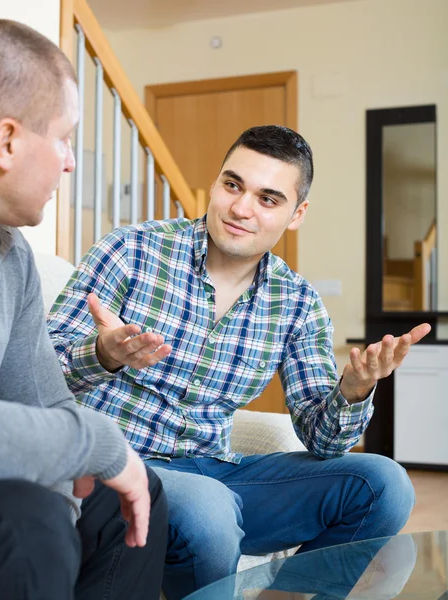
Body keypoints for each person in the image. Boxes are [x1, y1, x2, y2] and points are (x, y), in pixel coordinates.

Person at [47, 125, 430, 600]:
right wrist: (102, 354)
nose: (242, 209)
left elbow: (323, 439)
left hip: (215, 470)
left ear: (297, 214)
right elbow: (38, 374)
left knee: (385, 485)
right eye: (233, 185)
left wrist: (353, 391)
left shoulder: (296, 302)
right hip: (114, 463)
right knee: (209, 508)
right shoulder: (131, 251)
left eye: (268, 199)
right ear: (215, 185)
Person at [0, 19, 168, 600]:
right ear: (7, 141)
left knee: (133, 496)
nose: (69, 163)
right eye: (63, 139)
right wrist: (96, 441)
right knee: (22, 525)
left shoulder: (10, 259)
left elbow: (41, 400)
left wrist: (68, 493)